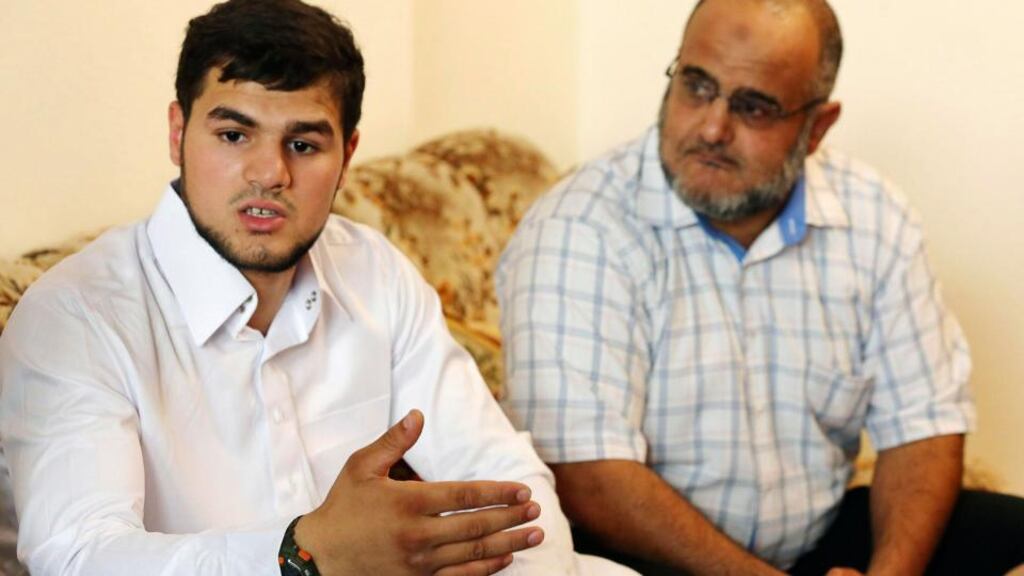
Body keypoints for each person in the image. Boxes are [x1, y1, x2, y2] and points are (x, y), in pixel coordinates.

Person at [0, 1, 635, 575]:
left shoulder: (374, 272)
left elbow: (505, 479)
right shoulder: (77, 316)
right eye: (233, 135)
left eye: (303, 144)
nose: (269, 174)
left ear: (347, 155)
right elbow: (79, 555)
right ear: (177, 133)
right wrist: (300, 555)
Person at [497, 0, 1024, 574]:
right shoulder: (579, 227)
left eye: (753, 107)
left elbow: (924, 423)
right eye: (697, 86)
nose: (712, 128)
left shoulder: (875, 215)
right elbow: (589, 477)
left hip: (813, 542)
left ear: (817, 127)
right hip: (640, 555)